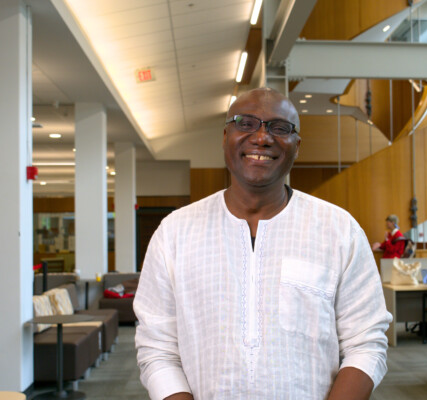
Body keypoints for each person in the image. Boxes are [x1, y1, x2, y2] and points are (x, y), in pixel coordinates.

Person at [134, 87, 392, 400]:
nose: (261, 137)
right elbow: (158, 349)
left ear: (297, 146)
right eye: (246, 123)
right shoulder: (174, 233)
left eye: (279, 127)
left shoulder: (338, 230)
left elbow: (365, 342)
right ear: (225, 136)